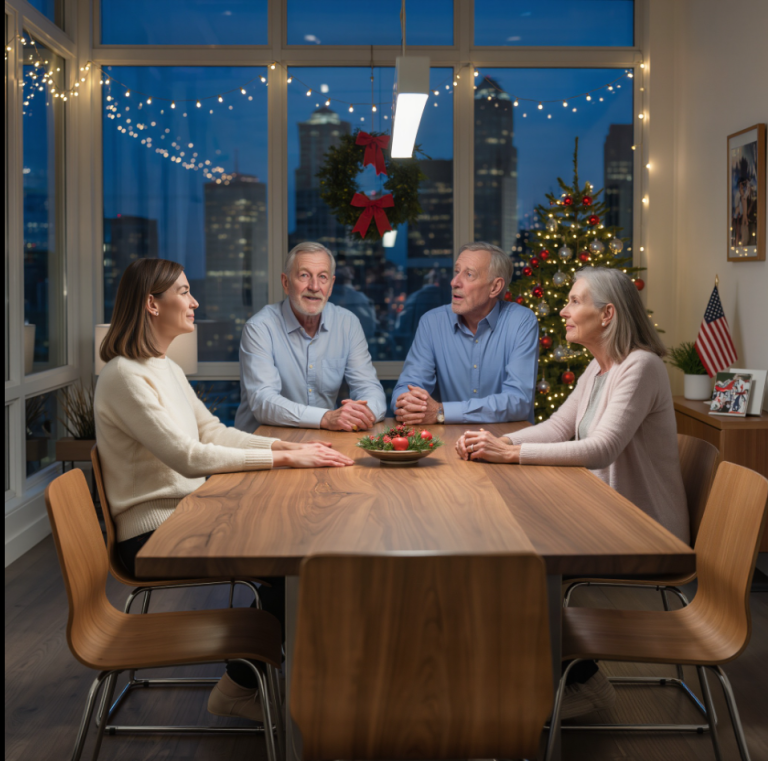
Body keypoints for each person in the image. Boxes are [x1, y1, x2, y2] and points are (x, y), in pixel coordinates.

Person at [94, 258, 354, 725]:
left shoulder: (163, 367)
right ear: (152, 304)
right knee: (293, 568)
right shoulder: (124, 376)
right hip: (153, 536)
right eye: (184, 292)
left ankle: (278, 679)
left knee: (295, 553)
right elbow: (187, 456)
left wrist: (282, 445)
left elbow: (211, 432)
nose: (194, 302)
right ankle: (238, 689)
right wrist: (283, 459)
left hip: (187, 513)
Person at [456, 266, 687, 719]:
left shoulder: (640, 366)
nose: (563, 311)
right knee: (503, 547)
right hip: (603, 514)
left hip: (645, 530)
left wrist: (510, 455)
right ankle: (530, 676)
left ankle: (585, 683)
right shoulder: (598, 369)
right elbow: (559, 427)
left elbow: (601, 448)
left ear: (607, 314)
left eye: (574, 301)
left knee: (516, 563)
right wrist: (497, 442)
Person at [235, 242, 386, 432]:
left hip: (322, 441)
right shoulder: (260, 328)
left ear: (330, 286)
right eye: (304, 275)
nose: (314, 286)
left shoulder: (347, 324)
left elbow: (369, 388)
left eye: (322, 277)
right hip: (265, 443)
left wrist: (364, 413)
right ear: (286, 283)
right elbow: (263, 402)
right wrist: (326, 418)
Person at [391, 242, 539, 426]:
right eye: (457, 271)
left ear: (495, 287)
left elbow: (518, 402)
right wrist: (407, 403)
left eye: (469, 274)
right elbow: (407, 387)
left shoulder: (521, 322)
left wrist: (442, 412)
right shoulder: (432, 323)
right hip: (448, 439)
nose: (454, 282)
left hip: (503, 440)